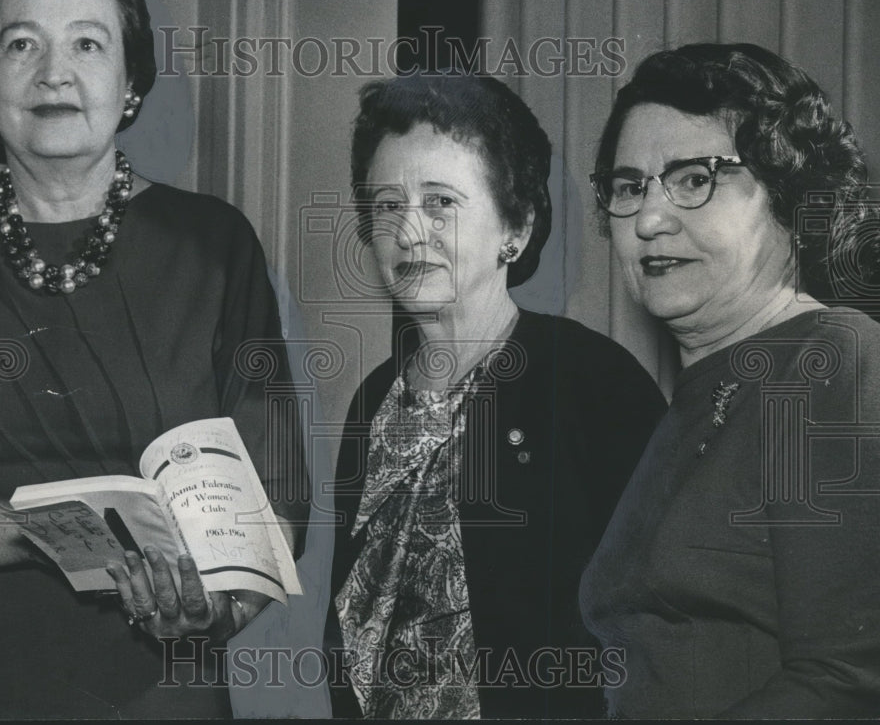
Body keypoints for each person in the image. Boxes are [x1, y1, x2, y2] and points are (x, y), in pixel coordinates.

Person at [0, 0, 307, 720]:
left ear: (130, 78)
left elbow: (275, 512)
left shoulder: (215, 247)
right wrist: (64, 531)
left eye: (87, 42)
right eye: (20, 44)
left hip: (155, 685)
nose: (54, 73)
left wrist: (216, 609)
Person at [326, 73, 668, 719]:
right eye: (387, 205)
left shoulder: (591, 381)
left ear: (516, 225)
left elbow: (656, 625)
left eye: (441, 203)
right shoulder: (375, 400)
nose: (408, 232)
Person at [579, 42, 880, 718]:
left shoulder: (834, 361)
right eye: (630, 187)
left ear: (790, 194)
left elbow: (849, 681)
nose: (649, 221)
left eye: (694, 178)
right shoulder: (692, 399)